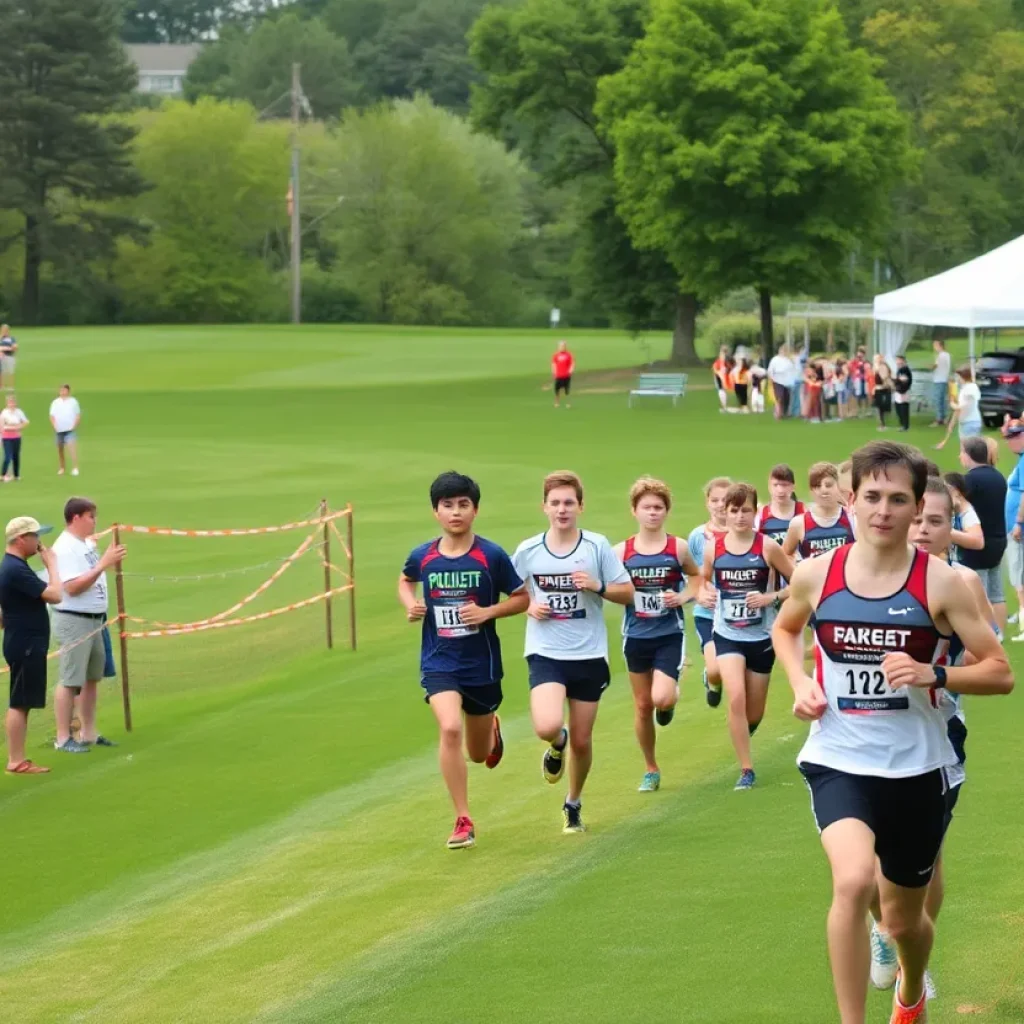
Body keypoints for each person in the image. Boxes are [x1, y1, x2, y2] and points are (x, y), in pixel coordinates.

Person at [773, 440, 1013, 1024]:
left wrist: (935, 671)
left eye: (897, 499)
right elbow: (785, 630)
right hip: (839, 756)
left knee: (904, 922)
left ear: (916, 509)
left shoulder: (942, 584)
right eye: (872, 496)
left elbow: (1000, 673)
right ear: (850, 499)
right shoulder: (815, 574)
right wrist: (801, 682)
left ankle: (910, 991)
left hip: (917, 767)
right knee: (853, 881)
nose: (883, 509)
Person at [868, 477, 996, 1000]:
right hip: (862, 733)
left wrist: (936, 674)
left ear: (951, 530)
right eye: (918, 519)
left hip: (936, 736)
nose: (922, 530)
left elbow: (987, 661)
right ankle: (886, 929)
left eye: (935, 522)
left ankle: (909, 959)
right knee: (868, 853)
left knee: (927, 852)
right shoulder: (868, 572)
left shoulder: (959, 584)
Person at [398, 471, 528, 849]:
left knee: (477, 753)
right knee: (449, 728)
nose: (456, 512)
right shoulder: (423, 556)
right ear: (436, 512)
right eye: (447, 505)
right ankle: (463, 819)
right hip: (439, 662)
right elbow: (405, 580)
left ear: (475, 510)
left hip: (481, 666)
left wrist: (487, 613)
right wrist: (411, 604)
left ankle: (491, 730)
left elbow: (522, 598)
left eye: (463, 505)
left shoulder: (491, 555)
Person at [512, 471, 634, 833]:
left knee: (583, 739)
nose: (562, 509)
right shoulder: (529, 550)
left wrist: (597, 586)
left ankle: (573, 802)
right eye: (555, 503)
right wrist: (530, 605)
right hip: (546, 651)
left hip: (589, 653)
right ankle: (556, 741)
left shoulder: (596, 546)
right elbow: (511, 591)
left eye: (569, 502)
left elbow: (627, 593)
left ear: (580, 506)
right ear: (544, 507)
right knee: (547, 724)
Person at [703, 483, 794, 790]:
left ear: (755, 512)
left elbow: (800, 582)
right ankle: (746, 769)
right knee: (737, 697)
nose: (740, 517)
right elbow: (702, 582)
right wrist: (705, 593)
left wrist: (772, 598)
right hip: (727, 634)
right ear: (724, 513)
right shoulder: (713, 548)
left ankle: (742, 731)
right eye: (734, 510)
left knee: (754, 712)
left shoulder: (767, 547)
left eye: (746, 510)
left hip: (761, 637)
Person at [616, 478, 700, 792]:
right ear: (634, 511)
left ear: (666, 511)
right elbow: (609, 586)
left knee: (660, 697)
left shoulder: (677, 548)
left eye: (658, 507)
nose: (653, 513)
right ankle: (651, 768)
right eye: (646, 507)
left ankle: (669, 702)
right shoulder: (621, 551)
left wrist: (683, 597)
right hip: (635, 636)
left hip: (668, 633)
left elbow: (696, 578)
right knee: (642, 706)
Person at [51, 498, 127, 754]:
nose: (96, 521)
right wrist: (103, 563)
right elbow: (72, 587)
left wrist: (101, 560)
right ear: (76, 518)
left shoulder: (83, 544)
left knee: (92, 678)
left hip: (95, 620)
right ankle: (63, 737)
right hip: (75, 620)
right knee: (70, 679)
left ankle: (89, 732)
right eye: (91, 516)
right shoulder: (65, 548)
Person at [1, 517, 62, 775]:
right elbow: (56, 595)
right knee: (20, 701)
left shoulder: (11, 567)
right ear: (20, 539)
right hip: (26, 641)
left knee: (22, 699)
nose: (39, 542)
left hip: (21, 639)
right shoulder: (16, 569)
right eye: (35, 536)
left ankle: (18, 757)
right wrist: (52, 566)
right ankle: (15, 761)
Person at [688, 477, 731, 709]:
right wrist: (699, 594)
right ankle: (712, 681)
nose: (720, 505)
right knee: (716, 670)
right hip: (708, 613)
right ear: (707, 503)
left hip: (738, 616)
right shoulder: (698, 537)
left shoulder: (747, 533)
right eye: (714, 500)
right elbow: (693, 574)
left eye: (725, 500)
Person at [958, 436, 1008, 635]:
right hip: (998, 540)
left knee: (979, 594)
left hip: (978, 543)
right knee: (996, 594)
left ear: (968, 455)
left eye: (961, 452)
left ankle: (985, 635)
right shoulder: (998, 476)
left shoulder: (970, 480)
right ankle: (999, 634)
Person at [783, 462, 856, 560]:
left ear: (839, 487)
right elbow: (785, 555)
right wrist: (796, 572)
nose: (823, 490)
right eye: (817, 486)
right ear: (811, 492)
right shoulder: (799, 524)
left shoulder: (853, 519)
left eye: (828, 485)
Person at [1001, 419, 1024, 641]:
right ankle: (1021, 614)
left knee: (1019, 577)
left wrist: (1018, 522)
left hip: (1019, 529)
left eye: (1015, 437)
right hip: (1015, 526)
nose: (1011, 442)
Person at [935, 366, 981, 451]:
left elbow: (959, 407)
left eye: (958, 376)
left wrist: (951, 403)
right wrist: (951, 424)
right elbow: (958, 409)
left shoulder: (970, 389)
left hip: (970, 423)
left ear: (963, 377)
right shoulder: (965, 389)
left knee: (968, 452)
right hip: (965, 422)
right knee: (965, 452)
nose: (957, 379)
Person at [942, 472, 984, 565]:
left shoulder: (968, 514)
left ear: (956, 491)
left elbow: (978, 542)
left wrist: (946, 532)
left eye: (945, 489)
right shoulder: (955, 511)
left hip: (966, 567)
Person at [756, 464, 804, 545]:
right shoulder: (761, 514)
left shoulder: (803, 511)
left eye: (785, 485)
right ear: (769, 487)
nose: (780, 490)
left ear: (793, 487)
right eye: (775, 485)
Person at [49, 384, 81, 477]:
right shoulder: (55, 402)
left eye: (64, 390)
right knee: (60, 449)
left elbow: (78, 415)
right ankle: (62, 468)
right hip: (59, 429)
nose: (62, 392)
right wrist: (54, 426)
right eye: (61, 390)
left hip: (70, 429)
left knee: (72, 448)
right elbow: (52, 416)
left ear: (68, 391)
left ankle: (75, 467)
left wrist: (75, 425)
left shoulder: (73, 402)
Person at [1, 394, 29, 483]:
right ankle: (3, 474)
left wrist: (19, 426)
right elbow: (2, 425)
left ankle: (16, 475)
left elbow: (26, 422)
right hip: (7, 437)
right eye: (10, 402)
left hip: (16, 436)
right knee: (7, 456)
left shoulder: (19, 412)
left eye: (13, 402)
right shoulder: (4, 413)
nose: (11, 404)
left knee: (16, 456)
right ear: (7, 403)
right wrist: (12, 427)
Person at [767, 346, 796, 419]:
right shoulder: (775, 359)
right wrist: (771, 378)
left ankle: (784, 413)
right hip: (777, 380)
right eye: (783, 351)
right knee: (779, 397)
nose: (784, 352)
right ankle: (777, 413)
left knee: (787, 398)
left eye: (785, 351)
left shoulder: (788, 360)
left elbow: (792, 370)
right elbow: (770, 370)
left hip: (787, 382)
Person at [930, 339, 951, 427]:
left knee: (938, 400)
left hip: (939, 380)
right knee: (942, 399)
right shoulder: (946, 355)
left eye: (935, 345)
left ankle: (939, 419)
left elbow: (935, 366)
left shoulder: (941, 355)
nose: (934, 347)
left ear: (940, 346)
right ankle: (944, 417)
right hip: (944, 379)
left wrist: (930, 366)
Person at [551, 340, 574, 409]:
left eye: (563, 346)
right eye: (560, 346)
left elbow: (572, 363)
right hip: (558, 375)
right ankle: (557, 402)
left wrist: (571, 371)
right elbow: (553, 364)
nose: (562, 347)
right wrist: (554, 372)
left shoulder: (569, 355)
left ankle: (568, 403)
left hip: (566, 375)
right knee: (557, 389)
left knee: (566, 389)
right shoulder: (556, 355)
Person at [873, 355, 893, 431]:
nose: (879, 359)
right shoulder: (876, 367)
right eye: (878, 358)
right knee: (879, 406)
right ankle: (881, 423)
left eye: (880, 358)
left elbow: (887, 376)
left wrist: (890, 384)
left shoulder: (885, 366)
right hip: (879, 388)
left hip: (886, 387)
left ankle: (883, 422)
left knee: (885, 405)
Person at [893, 355, 913, 432]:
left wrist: (895, 381)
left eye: (899, 361)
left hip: (903, 391)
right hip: (899, 391)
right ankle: (902, 424)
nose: (897, 362)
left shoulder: (905, 370)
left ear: (903, 361)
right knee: (898, 408)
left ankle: (905, 426)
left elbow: (904, 380)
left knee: (903, 408)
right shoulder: (900, 369)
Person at [712, 347, 732, 413]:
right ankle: (724, 406)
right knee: (721, 391)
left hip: (724, 378)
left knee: (722, 391)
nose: (722, 356)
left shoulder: (726, 362)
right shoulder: (718, 362)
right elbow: (715, 370)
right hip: (719, 378)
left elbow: (729, 369)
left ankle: (724, 406)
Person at [0, 325, 16, 390]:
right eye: (3, 330)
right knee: (2, 372)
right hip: (1, 357)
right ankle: (1, 386)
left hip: (9, 357)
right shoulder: (0, 338)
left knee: (10, 372)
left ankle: (10, 387)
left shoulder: (11, 338)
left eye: (6, 330)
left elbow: (15, 347)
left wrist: (5, 348)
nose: (5, 331)